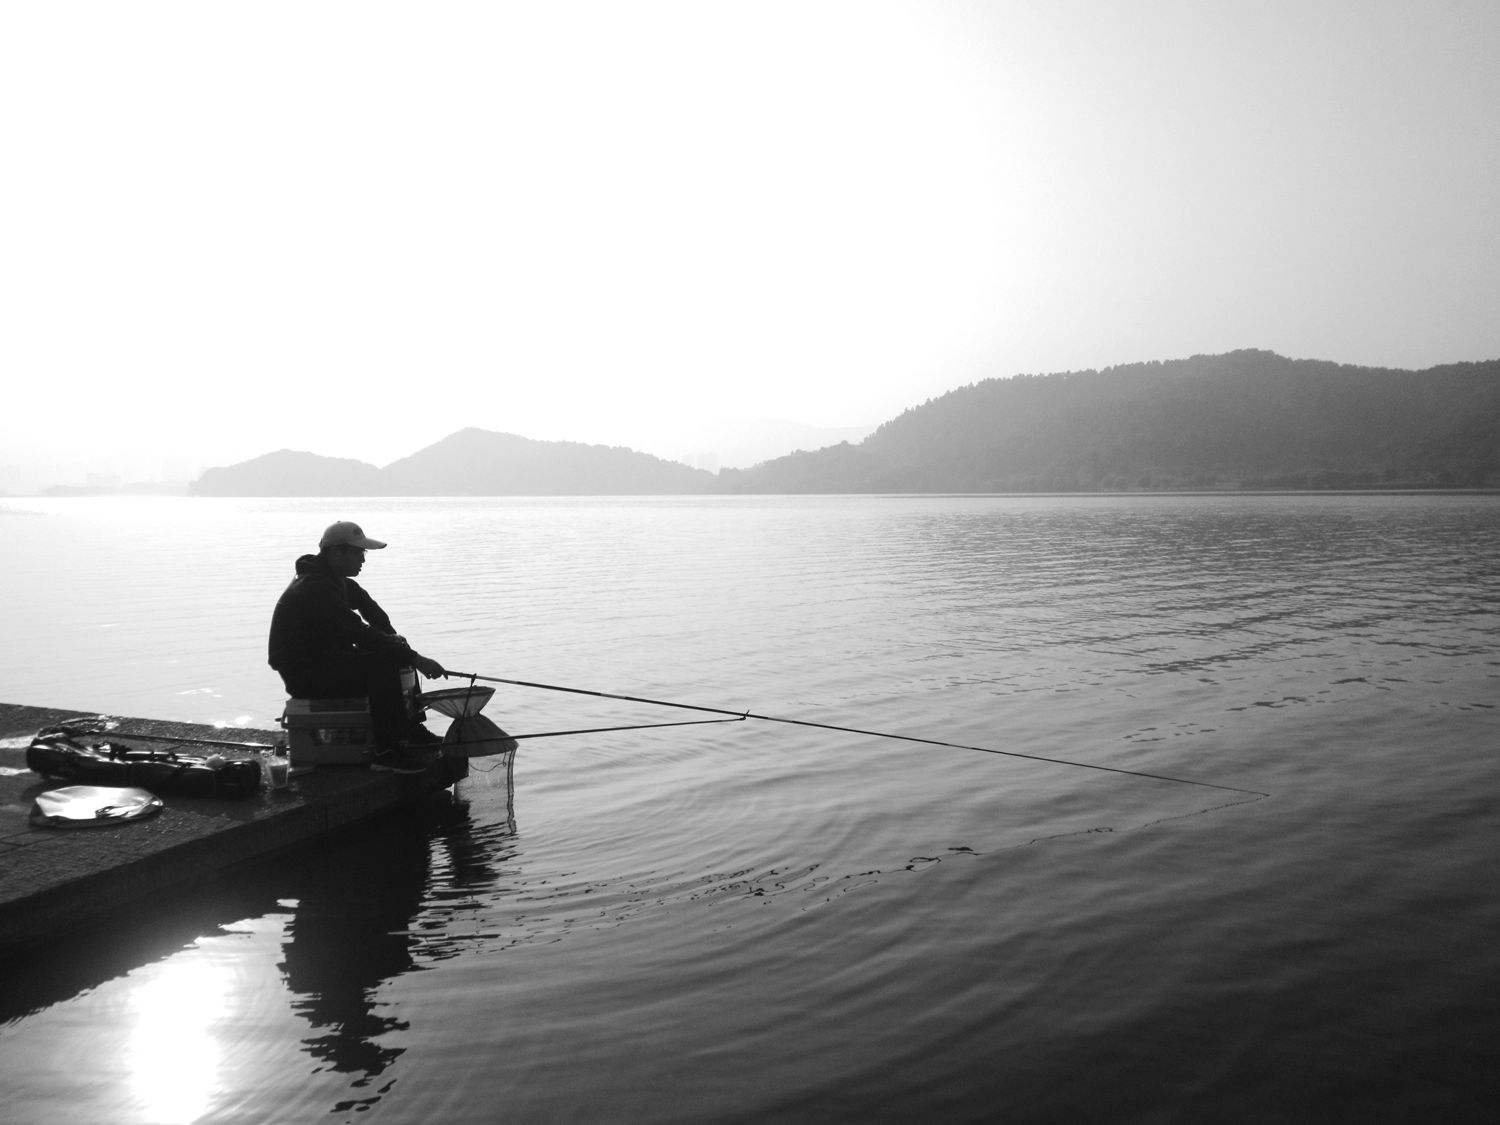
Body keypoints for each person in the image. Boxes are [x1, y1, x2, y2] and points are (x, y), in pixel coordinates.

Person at [269, 520, 449, 774]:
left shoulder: (335, 580)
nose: (363, 560)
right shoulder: (315, 588)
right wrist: (416, 659)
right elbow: (357, 631)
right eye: (359, 553)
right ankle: (386, 752)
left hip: (327, 661)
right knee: (384, 662)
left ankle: (411, 730)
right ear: (336, 553)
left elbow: (370, 609)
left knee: (394, 648)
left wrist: (397, 641)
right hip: (305, 675)